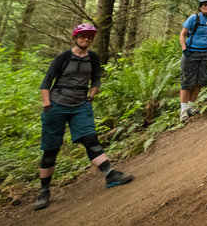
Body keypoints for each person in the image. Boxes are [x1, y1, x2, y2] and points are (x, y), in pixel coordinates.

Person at [34, 23, 133, 211]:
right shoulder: (63, 57)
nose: (86, 40)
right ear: (75, 37)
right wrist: (47, 105)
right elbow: (46, 83)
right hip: (56, 105)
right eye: (82, 37)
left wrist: (91, 97)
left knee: (90, 139)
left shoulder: (93, 58)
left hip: (80, 105)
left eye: (89, 37)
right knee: (51, 149)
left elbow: (96, 78)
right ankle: (44, 192)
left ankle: (110, 174)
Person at [179, 0, 207, 123]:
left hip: (206, 54)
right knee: (187, 82)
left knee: (200, 81)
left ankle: (191, 107)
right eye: (205, 5)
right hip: (191, 54)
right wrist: (184, 48)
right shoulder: (194, 18)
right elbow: (183, 34)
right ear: (201, 7)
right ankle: (183, 110)